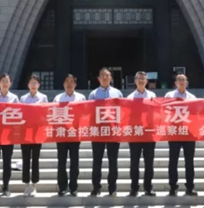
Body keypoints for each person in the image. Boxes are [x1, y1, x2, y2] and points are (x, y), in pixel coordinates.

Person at [88, 68, 124, 197]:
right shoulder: (93, 94)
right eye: (102, 75)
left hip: (113, 132)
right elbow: (89, 112)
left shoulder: (117, 93)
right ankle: (96, 187)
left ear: (111, 78)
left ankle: (112, 188)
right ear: (98, 79)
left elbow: (122, 112)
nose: (104, 77)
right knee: (97, 161)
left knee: (113, 161)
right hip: (98, 132)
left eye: (107, 75)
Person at [164, 73, 198, 197]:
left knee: (189, 161)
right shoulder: (169, 96)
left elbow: (196, 114)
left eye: (184, 80)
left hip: (189, 133)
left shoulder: (192, 97)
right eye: (179, 80)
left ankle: (190, 187)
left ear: (187, 82)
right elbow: (164, 111)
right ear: (175, 83)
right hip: (174, 132)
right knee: (173, 161)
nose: (182, 82)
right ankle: (173, 187)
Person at [53, 74, 86, 196]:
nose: (69, 83)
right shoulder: (58, 98)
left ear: (75, 84)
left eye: (72, 81)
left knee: (74, 162)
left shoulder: (81, 98)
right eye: (67, 81)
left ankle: (73, 187)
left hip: (75, 134)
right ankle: (62, 187)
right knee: (61, 162)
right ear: (63, 84)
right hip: (61, 134)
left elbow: (84, 114)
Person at [126, 71, 156, 197]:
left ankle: (148, 188)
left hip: (149, 133)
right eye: (139, 79)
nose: (141, 81)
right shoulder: (130, 97)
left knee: (149, 163)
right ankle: (134, 188)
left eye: (143, 79)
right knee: (134, 163)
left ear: (147, 81)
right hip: (135, 133)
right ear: (135, 81)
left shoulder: (152, 96)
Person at [20, 75, 48, 197]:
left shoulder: (43, 97)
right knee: (26, 158)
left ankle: (34, 184)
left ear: (39, 85)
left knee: (35, 159)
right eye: (31, 82)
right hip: (25, 132)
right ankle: (27, 184)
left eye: (35, 83)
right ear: (28, 85)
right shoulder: (23, 98)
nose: (33, 85)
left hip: (37, 132)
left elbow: (46, 113)